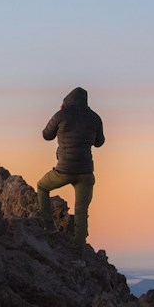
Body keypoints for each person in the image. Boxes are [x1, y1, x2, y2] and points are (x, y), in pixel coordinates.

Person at [37, 86, 104, 243]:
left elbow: (46, 135)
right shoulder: (95, 118)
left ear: (67, 101)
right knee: (81, 211)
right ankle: (79, 256)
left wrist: (61, 114)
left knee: (42, 187)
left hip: (64, 170)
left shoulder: (61, 115)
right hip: (86, 172)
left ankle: (50, 227)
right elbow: (100, 142)